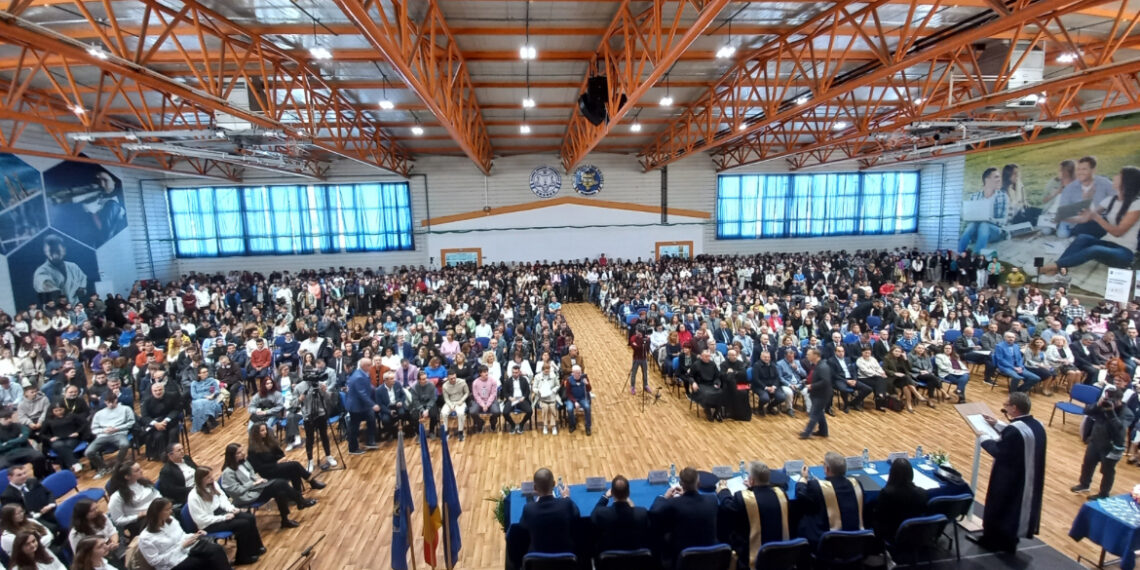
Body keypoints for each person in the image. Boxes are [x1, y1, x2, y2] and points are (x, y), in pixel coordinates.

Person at [979, 392, 1046, 552]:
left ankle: (992, 541)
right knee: (1014, 510)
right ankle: (1009, 540)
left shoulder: (1015, 431)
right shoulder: (1038, 425)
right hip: (1028, 475)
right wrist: (998, 424)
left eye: (1006, 405)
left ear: (1014, 408)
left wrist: (984, 439)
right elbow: (1020, 436)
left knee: (1001, 505)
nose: (1005, 407)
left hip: (1010, 477)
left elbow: (1000, 451)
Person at [1041, 166, 1140, 273]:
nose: (1114, 177)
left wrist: (1096, 217)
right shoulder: (1111, 200)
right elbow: (1086, 218)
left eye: (1119, 175)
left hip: (1124, 252)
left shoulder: (1136, 204)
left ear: (1126, 182)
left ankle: (1052, 267)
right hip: (1106, 243)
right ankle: (1058, 266)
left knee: (1094, 249)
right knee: (1083, 238)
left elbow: (1117, 232)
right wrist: (1063, 218)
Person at [219, 443, 315, 529]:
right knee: (280, 483)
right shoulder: (228, 472)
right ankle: (300, 501)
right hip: (246, 496)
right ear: (232, 456)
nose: (243, 453)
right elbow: (235, 490)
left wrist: (258, 480)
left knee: (280, 491)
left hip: (256, 489)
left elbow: (252, 475)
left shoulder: (244, 462)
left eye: (242, 450)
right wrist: (253, 483)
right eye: (239, 453)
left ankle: (285, 520)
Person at [716, 461, 791, 570]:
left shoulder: (744, 498)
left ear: (751, 480)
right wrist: (753, 487)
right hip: (781, 558)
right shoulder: (781, 494)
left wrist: (723, 490)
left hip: (753, 559)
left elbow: (727, 505)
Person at [1073, 375, 1133, 500]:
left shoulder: (1127, 413)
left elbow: (1120, 429)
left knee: (1107, 471)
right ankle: (1084, 484)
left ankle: (1104, 493)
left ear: (1119, 401)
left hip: (1112, 446)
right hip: (1095, 440)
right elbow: (1087, 411)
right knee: (1088, 464)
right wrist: (1097, 405)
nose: (1108, 402)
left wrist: (1111, 413)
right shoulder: (1102, 405)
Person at [187, 467, 264, 566]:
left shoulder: (213, 485)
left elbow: (222, 498)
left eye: (211, 475)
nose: (212, 478)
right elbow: (201, 519)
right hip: (209, 524)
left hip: (221, 514)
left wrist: (231, 509)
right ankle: (242, 557)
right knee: (243, 524)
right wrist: (223, 518)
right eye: (208, 477)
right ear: (200, 480)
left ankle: (255, 548)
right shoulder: (194, 497)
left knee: (250, 517)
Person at [648, 466, 718, 569]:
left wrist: (664, 497)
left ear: (681, 484)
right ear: (699, 484)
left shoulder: (673, 503)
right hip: (710, 560)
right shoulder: (712, 500)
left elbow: (654, 512)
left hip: (683, 558)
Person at [137, 498, 232, 570]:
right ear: (157, 513)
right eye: (167, 509)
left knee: (216, 549)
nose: (171, 511)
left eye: (170, 508)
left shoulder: (171, 521)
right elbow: (155, 561)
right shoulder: (146, 538)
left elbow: (182, 536)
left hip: (187, 551)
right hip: (172, 564)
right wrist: (181, 547)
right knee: (204, 562)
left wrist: (194, 535)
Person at [795, 451, 865, 546]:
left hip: (828, 543)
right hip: (856, 541)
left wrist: (803, 479)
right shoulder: (856, 483)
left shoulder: (817, 487)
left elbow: (801, 495)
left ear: (827, 469)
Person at [516, 468, 579, 559]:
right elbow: (576, 514)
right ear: (554, 484)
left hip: (538, 561)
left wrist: (533, 503)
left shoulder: (529, 509)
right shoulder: (565, 504)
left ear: (535, 488)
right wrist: (566, 497)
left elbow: (523, 526)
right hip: (565, 560)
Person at [247, 422, 326, 492]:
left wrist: (283, 459)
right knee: (295, 465)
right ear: (256, 433)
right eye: (262, 430)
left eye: (265, 429)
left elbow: (279, 453)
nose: (265, 432)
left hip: (277, 466)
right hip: (268, 471)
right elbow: (259, 468)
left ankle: (297, 493)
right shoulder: (252, 449)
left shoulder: (269, 441)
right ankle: (312, 482)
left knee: (294, 470)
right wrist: (276, 463)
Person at [590, 475, 650, 554]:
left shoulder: (602, 514)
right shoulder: (642, 513)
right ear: (628, 492)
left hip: (609, 559)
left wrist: (605, 497)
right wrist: (633, 508)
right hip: (636, 559)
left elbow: (594, 514)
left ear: (612, 493)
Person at [873, 459, 928, 543]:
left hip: (892, 534)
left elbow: (879, 516)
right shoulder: (922, 493)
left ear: (892, 474)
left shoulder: (887, 494)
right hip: (915, 534)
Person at [85, 389, 134, 478]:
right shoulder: (99, 414)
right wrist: (104, 430)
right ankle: (103, 467)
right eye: (108, 402)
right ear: (105, 402)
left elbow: (131, 422)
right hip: (103, 435)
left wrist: (117, 428)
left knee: (125, 444)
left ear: (116, 400)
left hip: (119, 433)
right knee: (88, 452)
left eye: (112, 402)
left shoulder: (126, 409)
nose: (111, 404)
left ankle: (117, 466)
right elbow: (94, 429)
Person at [294, 369, 336, 472]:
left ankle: (328, 456)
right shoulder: (298, 387)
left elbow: (328, 399)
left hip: (321, 415)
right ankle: (310, 461)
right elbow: (292, 404)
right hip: (308, 417)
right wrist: (299, 399)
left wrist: (325, 391)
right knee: (310, 440)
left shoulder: (320, 384)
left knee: (324, 436)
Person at [959, 167, 1007, 253]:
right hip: (976, 230)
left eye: (999, 177)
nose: (999, 180)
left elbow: (1004, 221)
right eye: (996, 177)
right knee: (972, 225)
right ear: (987, 180)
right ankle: (959, 254)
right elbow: (967, 218)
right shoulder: (974, 197)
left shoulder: (1002, 196)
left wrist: (990, 220)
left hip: (995, 232)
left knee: (984, 225)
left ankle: (977, 256)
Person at [32, 234, 90, 305]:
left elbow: (83, 286)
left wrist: (81, 290)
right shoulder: (41, 271)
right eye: (51, 251)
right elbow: (44, 283)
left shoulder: (73, 267)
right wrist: (52, 289)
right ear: (45, 252)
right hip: (55, 310)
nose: (54, 254)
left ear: (64, 250)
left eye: (57, 250)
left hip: (75, 307)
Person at [106, 462, 159, 537]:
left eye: (140, 468)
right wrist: (139, 515)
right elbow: (118, 520)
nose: (141, 471)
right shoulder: (117, 497)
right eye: (137, 470)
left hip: (156, 512)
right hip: (141, 522)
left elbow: (157, 494)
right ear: (127, 476)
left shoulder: (144, 483)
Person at [0, 465, 58, 534]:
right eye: (19, 475)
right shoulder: (7, 496)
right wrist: (37, 514)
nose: (24, 476)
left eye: (24, 473)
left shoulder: (32, 481)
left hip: (48, 510)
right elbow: (14, 515)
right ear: (10, 478)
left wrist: (50, 504)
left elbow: (48, 493)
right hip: (32, 518)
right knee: (53, 528)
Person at [68, 499, 123, 565]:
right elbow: (80, 555)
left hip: (110, 546)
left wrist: (113, 543)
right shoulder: (75, 534)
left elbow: (112, 532)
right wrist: (102, 550)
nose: (96, 511)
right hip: (96, 557)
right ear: (83, 514)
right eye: (92, 510)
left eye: (96, 508)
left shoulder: (101, 516)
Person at [344, 358, 379, 455]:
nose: (371, 366)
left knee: (371, 419)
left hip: (361, 405)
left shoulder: (361, 373)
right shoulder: (359, 377)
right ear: (364, 366)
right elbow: (362, 394)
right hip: (356, 406)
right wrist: (373, 404)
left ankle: (370, 441)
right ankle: (353, 448)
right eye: (369, 365)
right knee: (354, 428)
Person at [0, 409, 50, 478]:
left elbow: (24, 437)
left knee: (39, 456)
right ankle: (11, 483)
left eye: (10, 417)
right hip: (6, 454)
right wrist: (18, 439)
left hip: (23, 450)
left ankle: (39, 477)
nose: (9, 420)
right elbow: (1, 448)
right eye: (6, 419)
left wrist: (7, 443)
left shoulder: (18, 425)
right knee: (2, 466)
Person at [38, 400, 83, 473]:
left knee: (65, 447)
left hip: (71, 438)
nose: (59, 412)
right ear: (52, 411)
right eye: (56, 411)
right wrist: (49, 438)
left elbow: (83, 425)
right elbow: (42, 434)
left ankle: (67, 468)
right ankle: (74, 463)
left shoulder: (72, 416)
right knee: (58, 446)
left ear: (64, 408)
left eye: (60, 410)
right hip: (57, 440)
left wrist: (77, 432)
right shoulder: (48, 420)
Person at [140, 383, 181, 461]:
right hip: (156, 425)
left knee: (173, 433)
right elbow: (144, 417)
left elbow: (176, 410)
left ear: (164, 389)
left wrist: (166, 420)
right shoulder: (147, 401)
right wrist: (156, 424)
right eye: (155, 391)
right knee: (159, 436)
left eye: (160, 390)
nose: (158, 392)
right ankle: (163, 456)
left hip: (171, 422)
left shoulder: (172, 396)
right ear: (152, 391)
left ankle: (173, 454)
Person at [800, 348, 833, 439]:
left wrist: (812, 386)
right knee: (819, 413)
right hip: (817, 393)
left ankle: (807, 433)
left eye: (809, 354)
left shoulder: (822, 367)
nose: (807, 356)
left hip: (822, 394)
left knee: (814, 413)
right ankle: (823, 431)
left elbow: (825, 381)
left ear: (815, 356)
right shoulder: (817, 365)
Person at [830, 346, 871, 413]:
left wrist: (854, 379)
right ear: (835, 352)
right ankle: (846, 404)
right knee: (843, 389)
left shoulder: (847, 359)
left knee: (868, 389)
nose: (841, 353)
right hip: (840, 380)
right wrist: (846, 381)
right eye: (839, 351)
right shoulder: (831, 361)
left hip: (851, 379)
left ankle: (854, 403)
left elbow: (853, 371)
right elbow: (834, 374)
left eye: (842, 351)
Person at [188, 366, 224, 434]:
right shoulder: (194, 383)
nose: (206, 373)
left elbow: (217, 390)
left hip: (210, 398)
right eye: (204, 372)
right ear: (199, 374)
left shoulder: (211, 380)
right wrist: (205, 397)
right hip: (198, 399)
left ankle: (204, 424)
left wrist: (213, 395)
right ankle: (206, 423)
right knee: (200, 404)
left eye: (207, 371)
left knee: (205, 404)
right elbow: (194, 395)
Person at [532, 361, 561, 435]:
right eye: (545, 369)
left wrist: (554, 390)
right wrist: (539, 391)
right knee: (545, 408)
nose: (547, 371)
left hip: (552, 397)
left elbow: (558, 385)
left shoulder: (553, 376)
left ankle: (553, 426)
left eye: (548, 369)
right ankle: (545, 425)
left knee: (552, 408)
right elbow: (534, 387)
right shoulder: (537, 377)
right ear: (542, 370)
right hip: (542, 398)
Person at [500, 367, 532, 435]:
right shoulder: (508, 381)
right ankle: (513, 424)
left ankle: (521, 424)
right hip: (512, 399)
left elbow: (527, 391)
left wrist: (524, 397)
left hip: (521, 399)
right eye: (513, 372)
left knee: (530, 411)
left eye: (516, 372)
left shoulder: (524, 380)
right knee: (505, 412)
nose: (514, 374)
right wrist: (509, 398)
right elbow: (505, 392)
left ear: (519, 372)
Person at [438, 371, 469, 441]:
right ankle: (445, 432)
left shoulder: (462, 382)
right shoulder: (445, 385)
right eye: (451, 379)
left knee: (460, 413)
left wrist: (461, 400)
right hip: (450, 402)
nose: (453, 380)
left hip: (460, 401)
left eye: (454, 378)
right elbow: (446, 398)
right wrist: (450, 405)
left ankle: (460, 432)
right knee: (443, 413)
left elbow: (467, 393)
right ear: (448, 378)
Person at [563, 365, 592, 435]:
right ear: (573, 373)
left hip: (582, 398)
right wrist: (575, 402)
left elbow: (589, 390)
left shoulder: (584, 378)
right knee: (570, 409)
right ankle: (572, 425)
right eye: (577, 373)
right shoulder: (569, 380)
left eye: (580, 372)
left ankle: (588, 427)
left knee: (587, 407)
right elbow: (568, 393)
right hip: (571, 399)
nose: (579, 374)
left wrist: (587, 384)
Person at [628, 329, 650, 394]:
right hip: (636, 358)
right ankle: (632, 387)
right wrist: (643, 342)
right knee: (634, 373)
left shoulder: (645, 338)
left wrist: (647, 341)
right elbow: (636, 348)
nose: (639, 333)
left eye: (640, 332)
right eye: (638, 331)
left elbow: (647, 348)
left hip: (644, 358)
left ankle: (645, 385)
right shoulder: (633, 338)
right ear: (636, 331)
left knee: (645, 373)